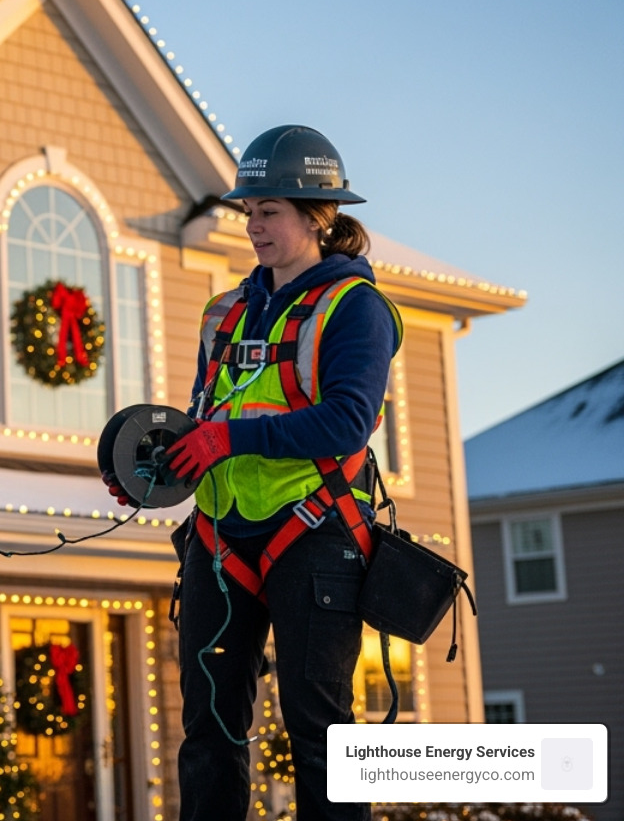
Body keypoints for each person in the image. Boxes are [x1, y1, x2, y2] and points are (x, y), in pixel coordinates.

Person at [109, 125, 401, 821]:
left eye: (269, 211)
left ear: (317, 218)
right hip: (218, 542)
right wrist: (151, 470)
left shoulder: (355, 308)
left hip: (316, 534)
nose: (254, 227)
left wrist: (225, 438)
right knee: (208, 733)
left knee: (319, 731)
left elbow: (345, 423)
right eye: (248, 212)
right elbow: (202, 420)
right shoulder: (225, 312)